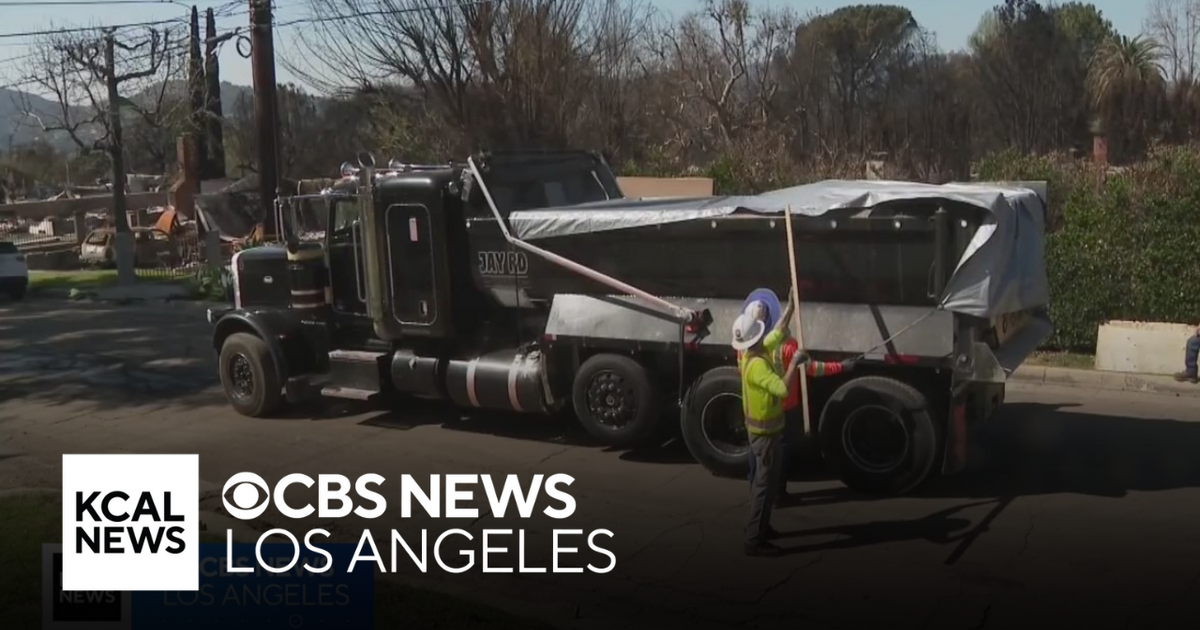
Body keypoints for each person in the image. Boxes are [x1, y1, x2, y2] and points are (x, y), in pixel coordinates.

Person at [740, 293, 858, 506]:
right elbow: (812, 369)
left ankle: (756, 490)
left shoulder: (744, 350)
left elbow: (777, 329)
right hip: (781, 410)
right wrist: (841, 367)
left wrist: (791, 307)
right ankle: (776, 494)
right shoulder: (788, 346)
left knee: (756, 458)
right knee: (778, 456)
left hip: (756, 415)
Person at [732, 302, 806, 557]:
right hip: (765, 437)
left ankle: (758, 528)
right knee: (765, 488)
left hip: (760, 434)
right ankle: (754, 540)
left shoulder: (752, 354)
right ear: (757, 336)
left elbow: (777, 333)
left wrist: (789, 307)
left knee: (763, 487)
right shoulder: (759, 366)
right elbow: (783, 389)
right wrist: (795, 362)